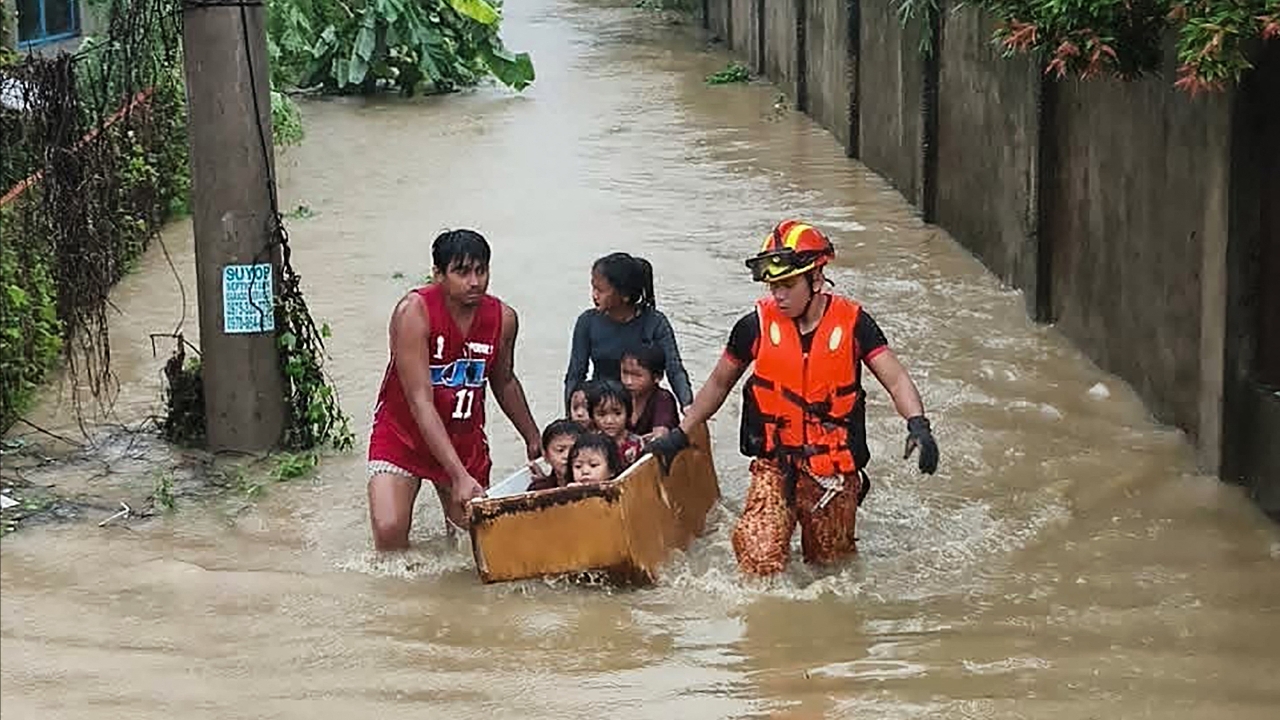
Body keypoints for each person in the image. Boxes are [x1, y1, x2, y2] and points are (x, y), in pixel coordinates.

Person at [647, 220, 940, 576]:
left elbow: (895, 378)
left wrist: (918, 424)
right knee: (758, 555)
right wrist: (681, 433)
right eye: (773, 286)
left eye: (787, 285)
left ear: (816, 279)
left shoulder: (855, 324)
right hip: (775, 463)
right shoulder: (752, 327)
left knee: (831, 570)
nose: (778, 296)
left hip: (832, 470)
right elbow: (718, 385)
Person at [366, 229, 542, 551]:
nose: (474, 282)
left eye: (481, 271)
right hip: (403, 436)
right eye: (462, 272)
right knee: (390, 535)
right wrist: (457, 476)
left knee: (475, 547)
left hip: (464, 439)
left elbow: (504, 381)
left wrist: (534, 438)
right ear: (438, 275)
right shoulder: (413, 312)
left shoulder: (503, 319)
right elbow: (420, 402)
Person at [564, 252, 694, 411]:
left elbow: (674, 370)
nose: (594, 295)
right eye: (593, 287)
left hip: (644, 406)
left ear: (624, 295)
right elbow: (575, 375)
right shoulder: (587, 322)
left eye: (600, 290)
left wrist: (687, 405)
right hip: (603, 407)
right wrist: (572, 414)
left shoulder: (655, 323)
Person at [619, 342, 679, 439]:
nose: (628, 381)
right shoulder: (618, 395)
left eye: (637, 375)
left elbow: (660, 436)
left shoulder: (663, 399)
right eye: (625, 373)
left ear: (657, 377)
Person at [586, 378, 645, 468]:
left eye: (617, 413)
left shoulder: (637, 445)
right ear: (592, 416)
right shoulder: (587, 446)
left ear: (628, 413)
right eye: (601, 414)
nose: (609, 421)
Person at [528, 419, 585, 491]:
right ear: (546, 456)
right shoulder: (538, 489)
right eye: (560, 450)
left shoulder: (594, 483)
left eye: (574, 450)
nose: (567, 455)